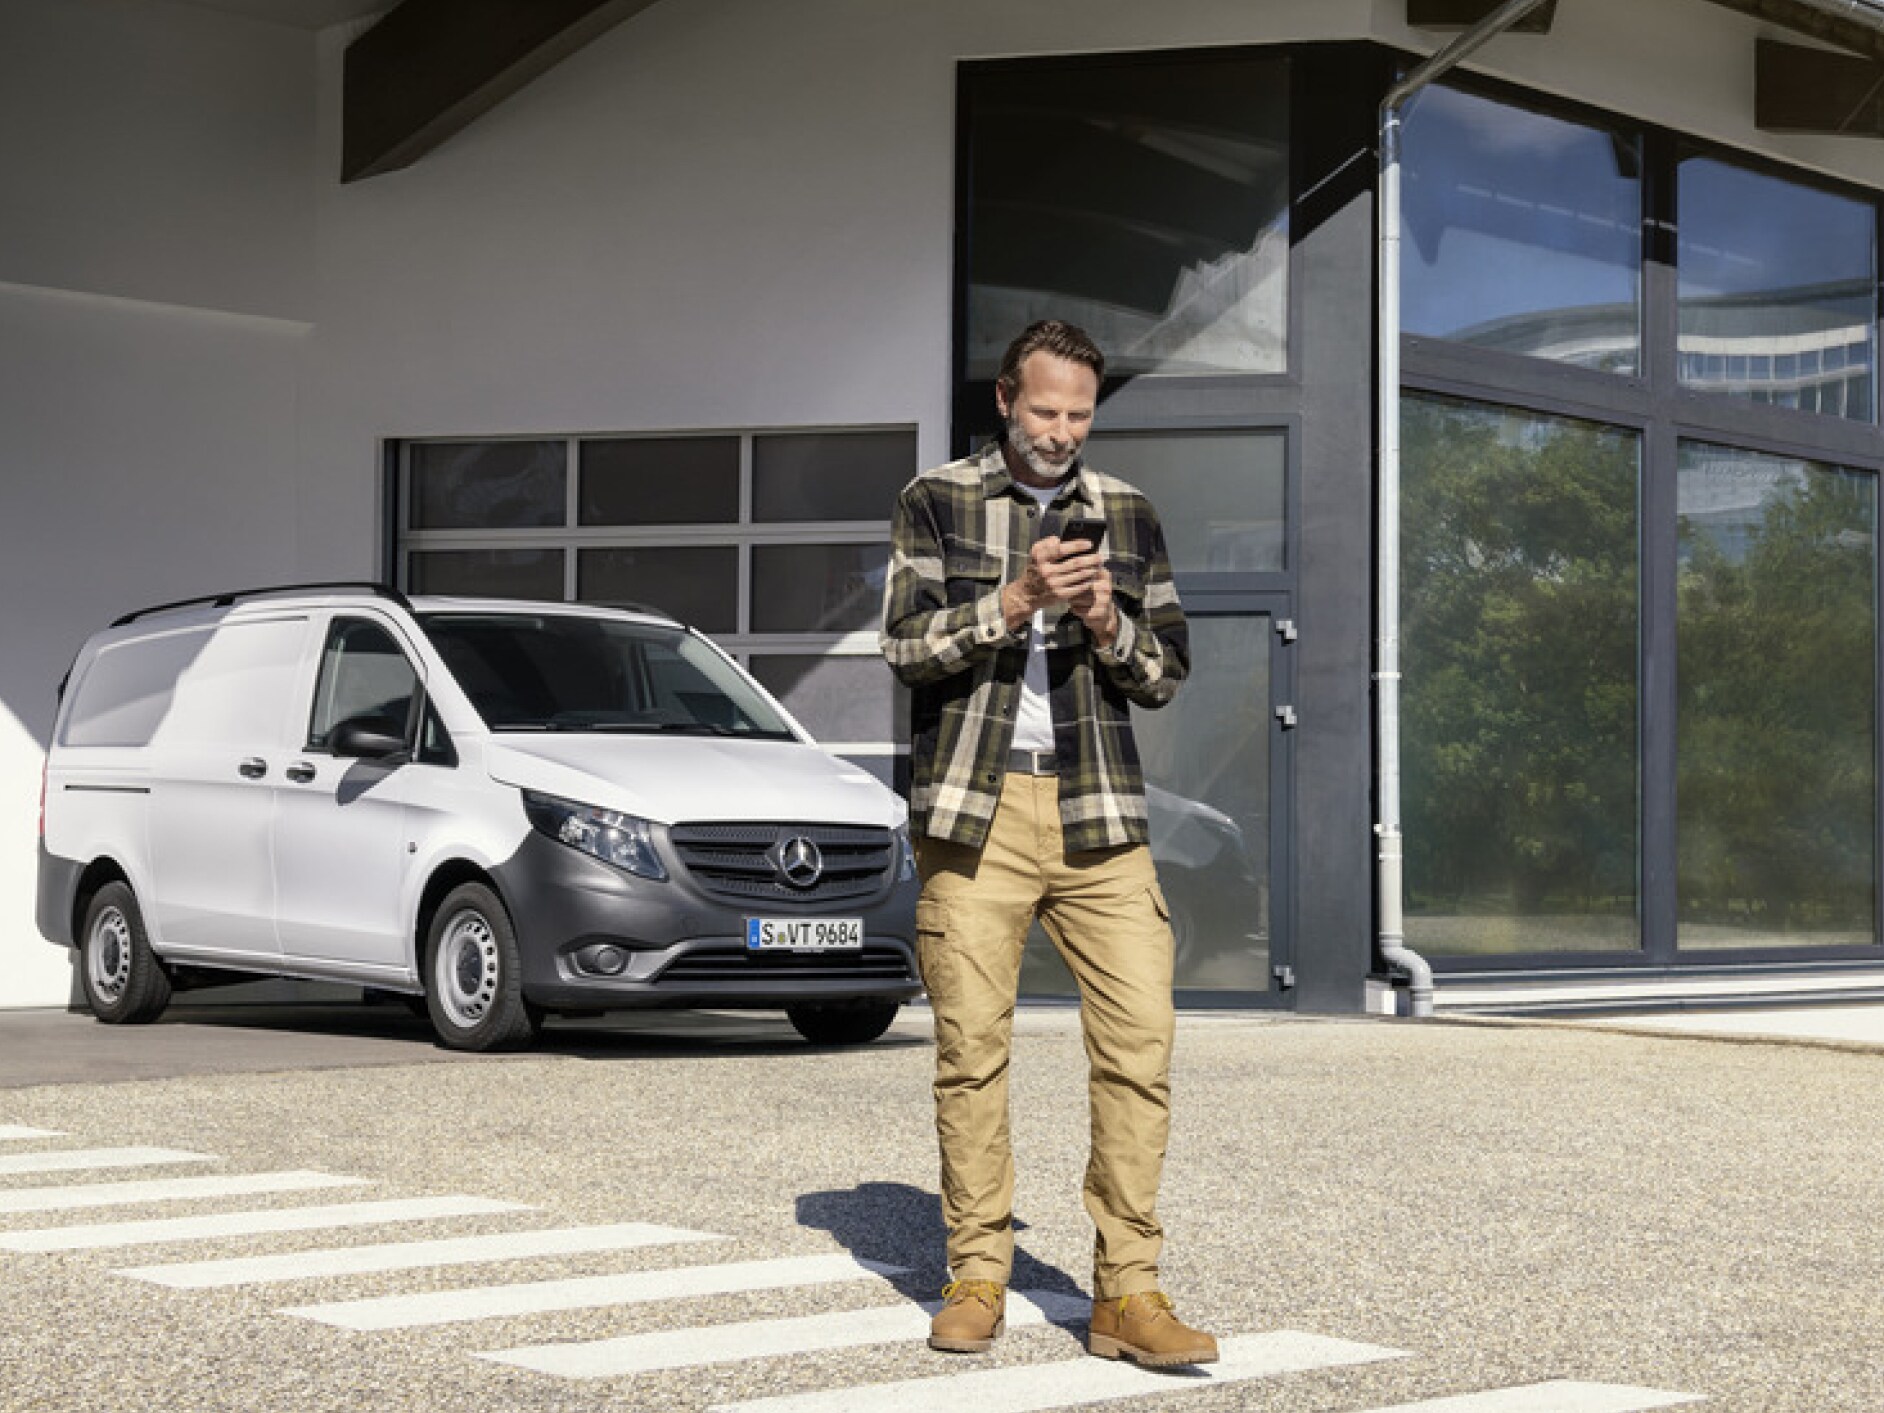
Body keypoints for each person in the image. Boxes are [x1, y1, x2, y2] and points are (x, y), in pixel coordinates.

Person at [880, 319, 1217, 1367]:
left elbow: (1165, 672)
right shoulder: (935, 500)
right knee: (971, 1054)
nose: (1062, 431)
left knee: (1139, 1046)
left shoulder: (1128, 512)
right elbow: (905, 647)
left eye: (1079, 413)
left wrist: (1110, 623)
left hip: (1097, 812)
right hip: (973, 813)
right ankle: (978, 1274)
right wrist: (1017, 600)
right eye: (1044, 410)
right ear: (1003, 399)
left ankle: (1128, 1293)